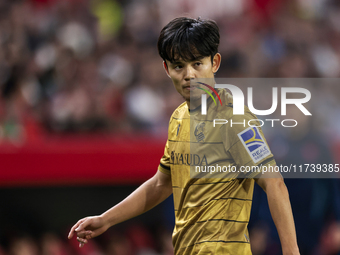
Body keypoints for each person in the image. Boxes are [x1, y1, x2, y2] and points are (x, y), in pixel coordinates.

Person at [68, 17, 300, 255]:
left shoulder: (234, 118)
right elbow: (162, 183)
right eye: (179, 66)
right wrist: (107, 219)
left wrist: (291, 252)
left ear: (215, 62)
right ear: (166, 69)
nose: (189, 74)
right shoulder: (179, 117)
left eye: (197, 64)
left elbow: (274, 182)